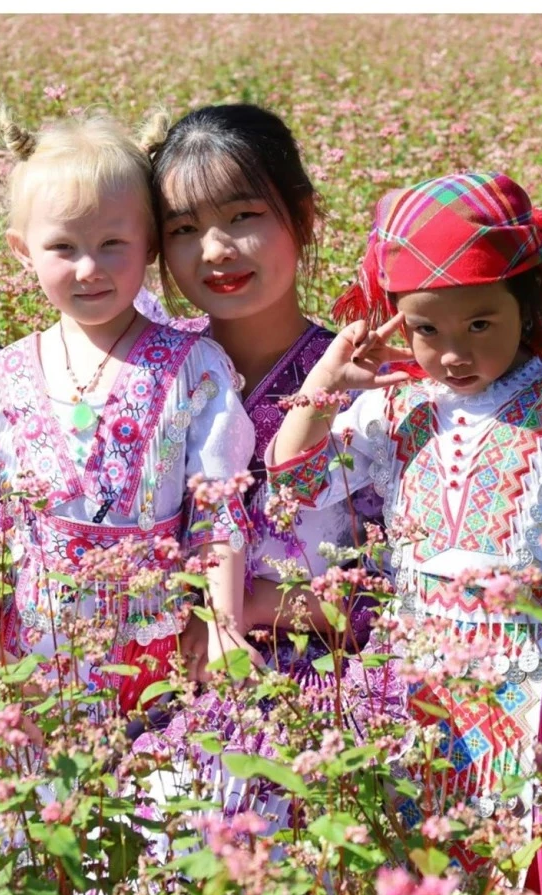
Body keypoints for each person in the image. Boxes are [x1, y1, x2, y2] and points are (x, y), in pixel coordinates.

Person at [268, 171, 542, 889]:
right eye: (426, 329)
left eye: (480, 325)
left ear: (526, 304)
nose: (453, 353)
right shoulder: (396, 403)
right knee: (433, 882)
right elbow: (296, 485)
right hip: (426, 687)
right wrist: (325, 386)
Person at [0, 115, 254, 713]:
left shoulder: (195, 367)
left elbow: (218, 508)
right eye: (63, 248)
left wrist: (221, 625)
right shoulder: (1, 376)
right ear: (23, 251)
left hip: (155, 656)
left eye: (113, 244)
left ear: (150, 244)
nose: (89, 268)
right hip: (32, 659)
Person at [145, 104, 398, 762]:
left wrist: (252, 607)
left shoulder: (365, 380)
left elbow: (403, 585)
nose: (214, 250)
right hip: (164, 689)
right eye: (183, 228)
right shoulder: (148, 373)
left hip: (330, 699)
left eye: (243, 216)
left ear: (303, 217)